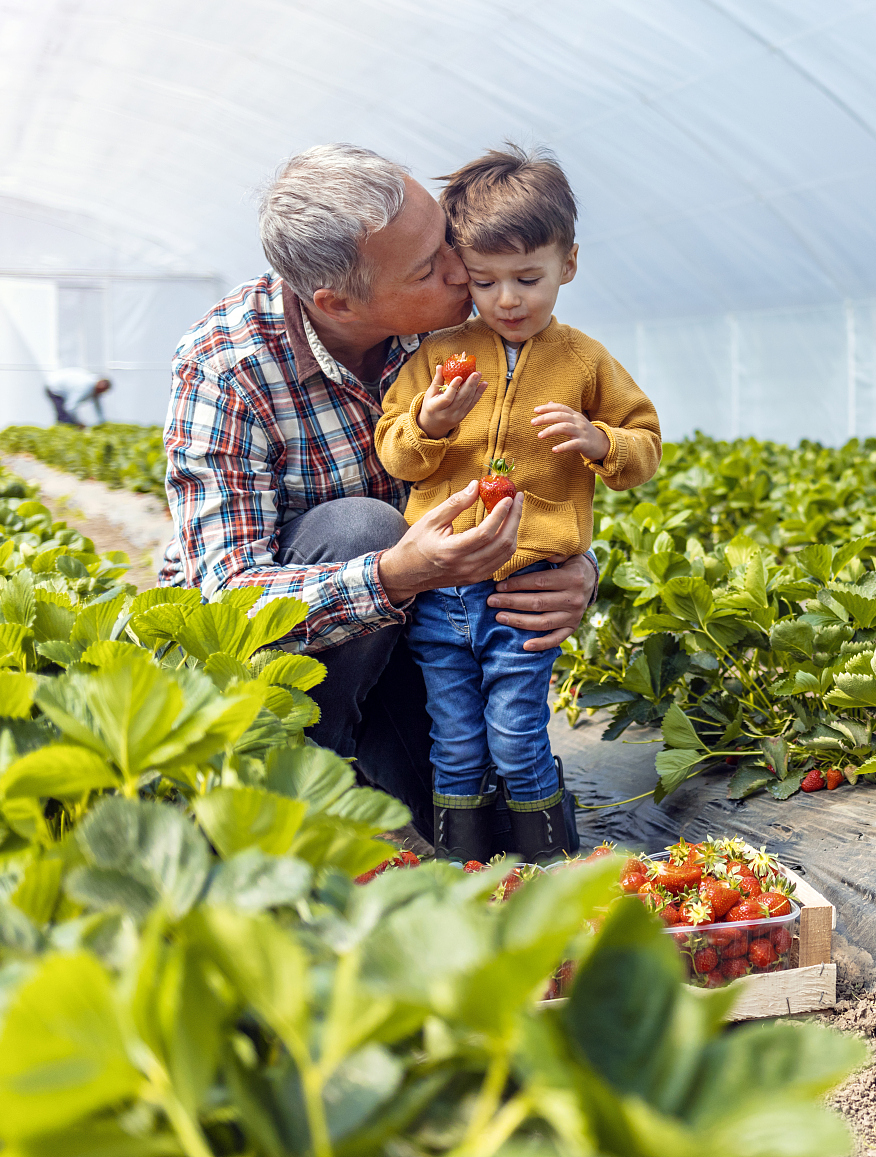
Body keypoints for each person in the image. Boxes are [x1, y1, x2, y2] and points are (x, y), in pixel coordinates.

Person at [158, 144, 600, 839]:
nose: (465, 271)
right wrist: (396, 573)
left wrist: (577, 568)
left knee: (502, 830)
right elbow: (227, 597)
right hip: (289, 668)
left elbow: (550, 460)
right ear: (337, 300)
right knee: (365, 525)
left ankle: (398, 764)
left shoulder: (471, 326)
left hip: (430, 625)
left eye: (447, 239)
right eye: (430, 267)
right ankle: (299, 784)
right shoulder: (229, 366)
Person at [376, 146, 660, 862]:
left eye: (528, 278)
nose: (507, 299)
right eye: (484, 281)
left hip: (525, 589)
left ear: (568, 262)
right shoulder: (439, 356)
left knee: (515, 730)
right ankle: (465, 867)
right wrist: (431, 424)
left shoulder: (585, 361)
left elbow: (645, 446)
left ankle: (547, 862)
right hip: (442, 591)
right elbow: (394, 450)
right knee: (457, 737)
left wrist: (599, 440)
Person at [44, 367, 111, 427]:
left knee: (69, 420)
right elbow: (70, 407)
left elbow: (97, 405)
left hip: (61, 387)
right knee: (65, 420)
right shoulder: (85, 388)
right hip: (54, 388)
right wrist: (79, 422)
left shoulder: (95, 387)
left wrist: (102, 421)